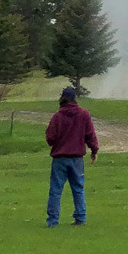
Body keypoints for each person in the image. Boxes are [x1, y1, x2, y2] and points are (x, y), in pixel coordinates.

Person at [45, 87, 99, 228]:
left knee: (55, 190)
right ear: (75, 98)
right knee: (78, 188)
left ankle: (53, 221)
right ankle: (81, 217)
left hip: (59, 158)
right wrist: (94, 150)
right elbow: (90, 135)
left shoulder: (57, 117)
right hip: (76, 158)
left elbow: (50, 138)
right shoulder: (84, 114)